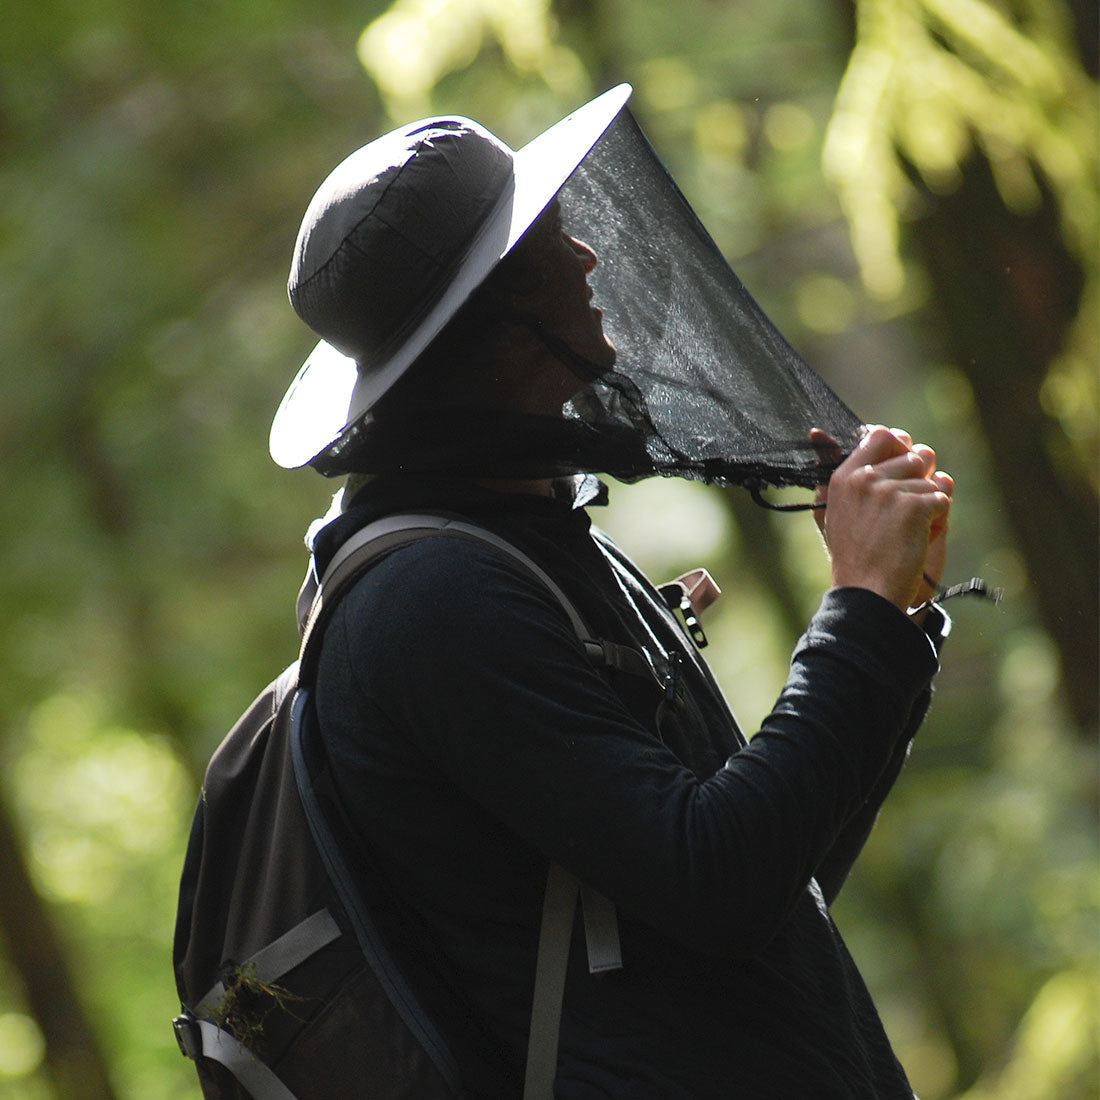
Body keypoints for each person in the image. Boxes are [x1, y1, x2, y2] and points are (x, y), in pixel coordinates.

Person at [271, 86, 953, 1098]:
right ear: (493, 321)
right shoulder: (430, 601)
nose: (589, 257)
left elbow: (773, 879)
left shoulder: (525, 539)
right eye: (550, 242)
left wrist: (888, 615)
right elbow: (715, 881)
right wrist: (854, 608)